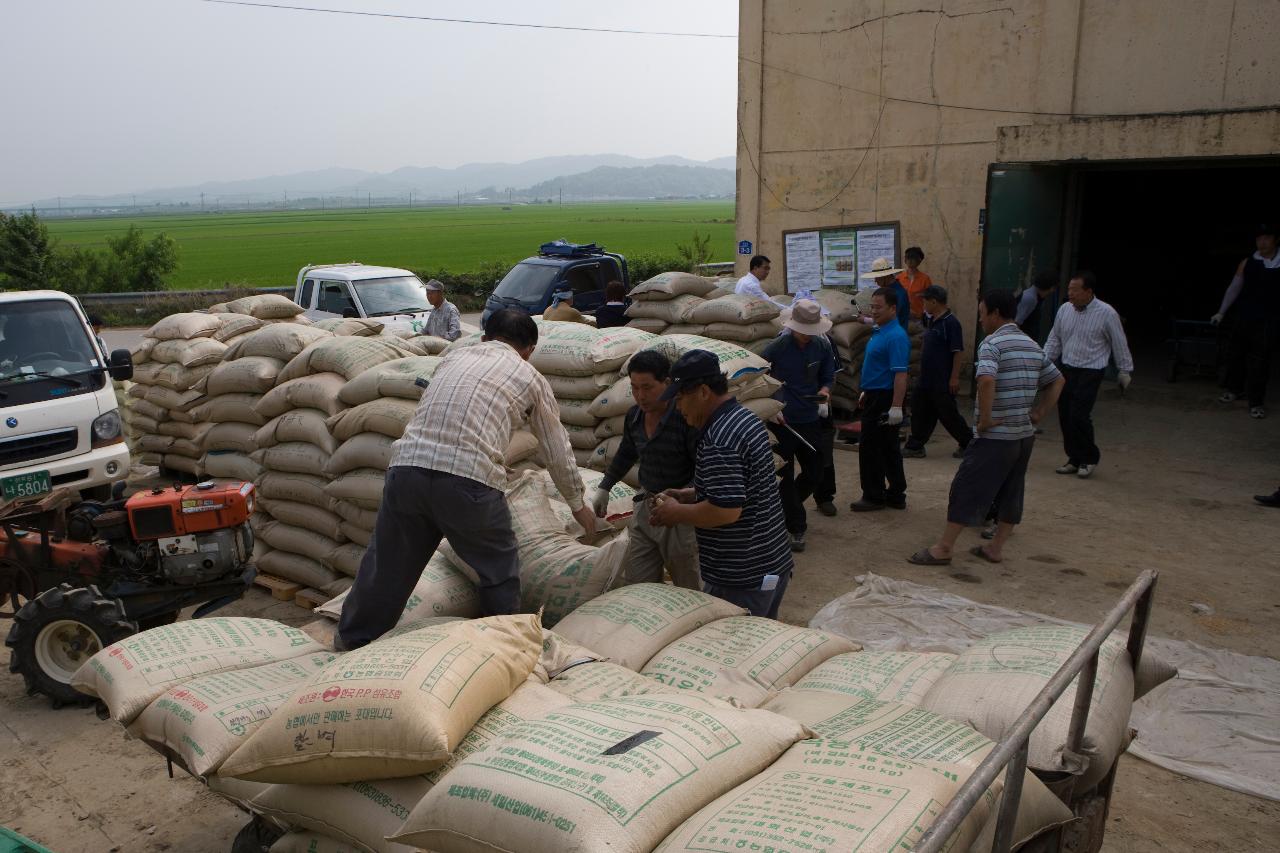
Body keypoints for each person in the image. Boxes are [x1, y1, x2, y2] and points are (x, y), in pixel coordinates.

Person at [337, 309, 595, 650]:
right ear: (529, 349)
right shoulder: (529, 375)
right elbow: (556, 448)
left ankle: (353, 642)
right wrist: (579, 506)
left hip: (407, 471)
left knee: (386, 567)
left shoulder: (453, 358)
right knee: (498, 571)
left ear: (486, 336)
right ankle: (500, 651)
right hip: (469, 481)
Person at [908, 289, 1064, 566]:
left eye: (981, 314)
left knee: (966, 487)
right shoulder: (1031, 344)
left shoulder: (992, 343)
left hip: (996, 436)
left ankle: (944, 547)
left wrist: (985, 420)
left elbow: (987, 380)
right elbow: (1057, 380)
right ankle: (995, 547)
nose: (980, 321)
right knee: (1012, 490)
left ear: (994, 313)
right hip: (1023, 436)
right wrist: (1039, 412)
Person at [649, 350, 793, 618]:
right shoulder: (744, 418)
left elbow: (726, 511)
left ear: (703, 392)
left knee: (736, 653)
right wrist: (692, 494)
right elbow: (744, 489)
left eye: (681, 399)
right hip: (771, 563)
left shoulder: (719, 439)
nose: (678, 408)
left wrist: (675, 512)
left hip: (743, 576)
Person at [593, 350, 701, 589]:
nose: (640, 396)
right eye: (634, 388)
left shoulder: (685, 418)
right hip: (646, 507)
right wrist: (605, 486)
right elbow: (626, 453)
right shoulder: (634, 417)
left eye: (647, 387)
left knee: (689, 584)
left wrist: (684, 497)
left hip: (680, 513)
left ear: (667, 383)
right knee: (638, 581)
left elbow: (703, 469)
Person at [760, 299, 836, 551]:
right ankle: (796, 526)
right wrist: (772, 406)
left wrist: (825, 391)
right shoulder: (777, 348)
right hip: (782, 422)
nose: (806, 336)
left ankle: (786, 509)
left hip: (811, 419)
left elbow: (828, 374)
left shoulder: (822, 346)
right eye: (802, 331)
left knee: (816, 472)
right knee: (784, 476)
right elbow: (760, 378)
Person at [1043, 271, 1134, 479]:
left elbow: (1119, 342)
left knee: (1079, 414)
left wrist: (1124, 370)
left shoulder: (1107, 313)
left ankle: (1089, 457)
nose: (1071, 294)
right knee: (1065, 413)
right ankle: (1074, 458)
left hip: (1091, 370)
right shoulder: (1065, 310)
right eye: (1069, 290)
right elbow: (1054, 339)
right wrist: (1044, 362)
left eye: (1075, 290)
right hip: (1067, 368)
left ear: (1089, 292)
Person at [851, 287, 910, 511]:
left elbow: (900, 374)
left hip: (884, 399)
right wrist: (867, 390)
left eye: (878, 307)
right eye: (872, 307)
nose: (874, 311)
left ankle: (874, 495)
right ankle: (896, 493)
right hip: (876, 394)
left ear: (893, 309)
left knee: (871, 448)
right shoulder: (881, 329)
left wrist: (896, 406)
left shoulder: (896, 336)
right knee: (887, 446)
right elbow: (880, 366)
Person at [1213, 223, 1280, 419]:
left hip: (1268, 321)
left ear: (1276, 239)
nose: (1262, 242)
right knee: (1235, 355)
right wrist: (1221, 312)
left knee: (1260, 361)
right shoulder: (1248, 262)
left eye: (1267, 237)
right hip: (1244, 317)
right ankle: (1234, 390)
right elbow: (1234, 288)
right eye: (1259, 238)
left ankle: (1256, 402)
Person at [902, 285, 970, 459]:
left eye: (925, 300)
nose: (923, 303)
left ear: (934, 301)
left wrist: (954, 378)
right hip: (926, 378)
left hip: (942, 379)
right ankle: (916, 445)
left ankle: (968, 442)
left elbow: (958, 352)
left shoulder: (951, 323)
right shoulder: (932, 319)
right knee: (919, 409)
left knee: (948, 414)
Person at [859, 257, 910, 330]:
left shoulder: (898, 294)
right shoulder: (888, 291)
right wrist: (872, 316)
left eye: (877, 277)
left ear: (885, 276)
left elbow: (889, 318)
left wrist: (866, 320)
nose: (875, 281)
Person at [1015, 270, 1058, 344]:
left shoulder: (1037, 298)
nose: (1053, 290)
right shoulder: (1030, 298)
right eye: (1054, 287)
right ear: (1050, 287)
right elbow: (1015, 324)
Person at [897, 246, 933, 319]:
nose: (910, 261)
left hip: (918, 317)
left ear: (919, 261)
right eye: (908, 258)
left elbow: (930, 298)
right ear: (905, 260)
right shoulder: (899, 278)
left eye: (913, 258)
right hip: (901, 316)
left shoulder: (925, 279)